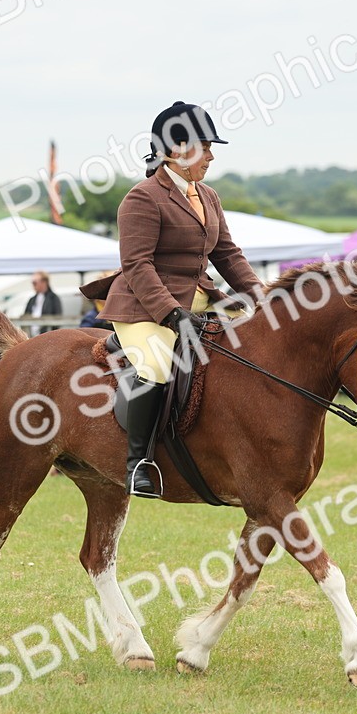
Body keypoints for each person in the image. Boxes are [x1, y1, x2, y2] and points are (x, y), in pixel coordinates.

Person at [78, 100, 263, 498]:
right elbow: (137, 265)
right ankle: (139, 463)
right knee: (160, 365)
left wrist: (261, 296)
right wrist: (171, 314)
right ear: (177, 150)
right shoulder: (142, 198)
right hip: (145, 307)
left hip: (198, 300)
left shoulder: (208, 196)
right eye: (205, 147)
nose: (211, 155)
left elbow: (228, 255)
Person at [23, 271, 63, 336]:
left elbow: (58, 319)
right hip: (31, 336)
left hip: (46, 336)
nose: (33, 285)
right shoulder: (32, 299)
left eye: (35, 283)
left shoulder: (54, 298)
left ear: (44, 282)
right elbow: (26, 315)